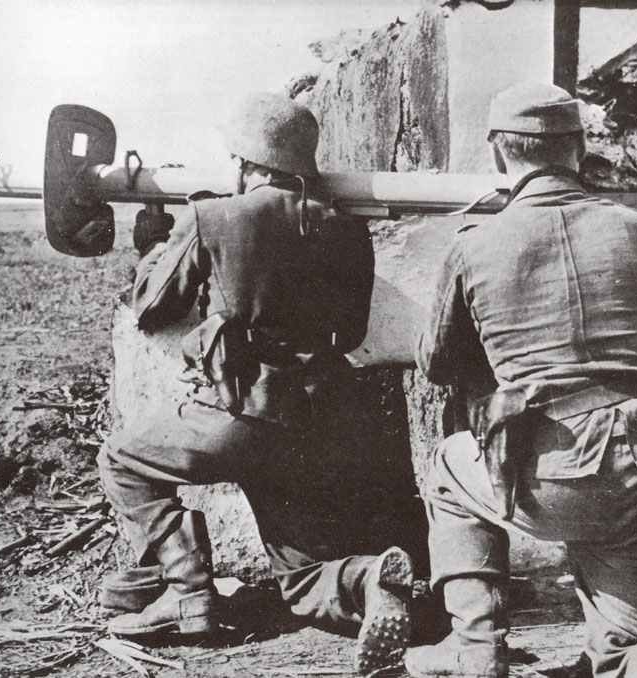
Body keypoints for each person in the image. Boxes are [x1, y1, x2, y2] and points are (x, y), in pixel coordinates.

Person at [404, 82, 637, 678]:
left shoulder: (474, 246)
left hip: (558, 470)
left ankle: (477, 651)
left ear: (500, 153)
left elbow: (437, 364)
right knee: (621, 653)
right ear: (578, 147)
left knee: (449, 468)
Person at [96, 92, 415, 674]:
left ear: (245, 163)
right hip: (315, 427)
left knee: (123, 460)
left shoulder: (212, 217)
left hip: (236, 415)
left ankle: (187, 593)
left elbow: (151, 305)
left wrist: (152, 245)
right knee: (300, 578)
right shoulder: (346, 230)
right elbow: (350, 330)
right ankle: (370, 580)